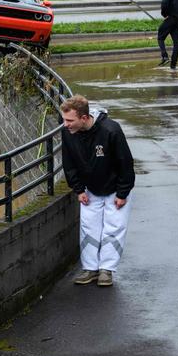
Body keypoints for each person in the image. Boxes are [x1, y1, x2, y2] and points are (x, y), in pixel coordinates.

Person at [59, 95, 135, 287]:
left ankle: (106, 270)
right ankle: (90, 269)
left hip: (115, 188)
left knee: (113, 227)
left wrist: (122, 193)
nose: (65, 124)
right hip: (90, 188)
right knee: (89, 227)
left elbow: (125, 162)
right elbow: (69, 162)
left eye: (69, 120)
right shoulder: (69, 133)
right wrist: (78, 189)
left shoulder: (111, 130)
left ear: (84, 118)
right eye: (64, 119)